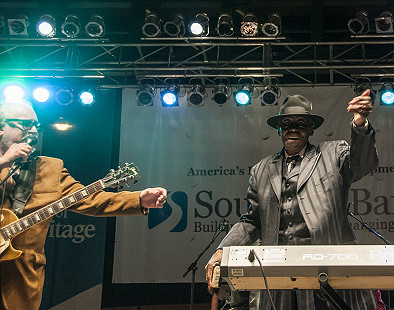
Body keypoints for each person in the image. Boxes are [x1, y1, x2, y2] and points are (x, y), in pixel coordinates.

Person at [206, 89, 379, 309]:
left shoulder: (333, 154)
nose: (293, 128)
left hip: (329, 270)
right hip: (280, 276)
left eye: (301, 123)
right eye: (287, 123)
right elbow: (252, 221)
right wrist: (223, 250)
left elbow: (364, 163)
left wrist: (361, 124)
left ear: (311, 128)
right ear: (279, 129)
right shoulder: (261, 170)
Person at [0, 101, 167, 310]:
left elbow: (90, 200)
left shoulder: (50, 168)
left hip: (21, 273)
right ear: (1, 128)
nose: (33, 130)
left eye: (36, 125)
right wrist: (4, 162)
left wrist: (138, 200)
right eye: (25, 124)